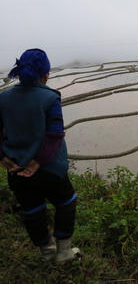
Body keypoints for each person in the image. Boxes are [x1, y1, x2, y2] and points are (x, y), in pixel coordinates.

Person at [0, 49, 80, 262]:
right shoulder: (49, 97)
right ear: (45, 74)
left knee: (32, 209)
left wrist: (2, 157)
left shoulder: (4, 98)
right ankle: (64, 252)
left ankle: (46, 251)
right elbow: (54, 135)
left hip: (16, 169)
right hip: (49, 168)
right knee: (66, 202)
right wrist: (37, 162)